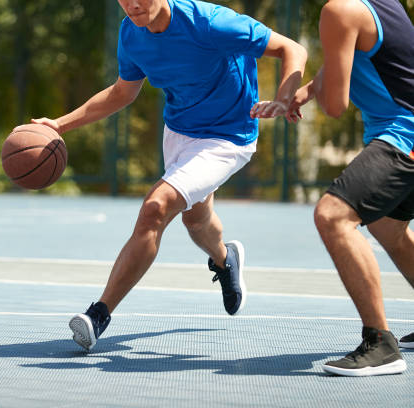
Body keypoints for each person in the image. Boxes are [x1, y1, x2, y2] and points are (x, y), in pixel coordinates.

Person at [29, 0, 307, 351]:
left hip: (227, 137)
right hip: (179, 131)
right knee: (196, 219)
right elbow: (121, 92)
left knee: (155, 208)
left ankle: (99, 314)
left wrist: (284, 97)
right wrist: (58, 125)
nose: (131, 4)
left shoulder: (211, 23)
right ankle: (226, 259)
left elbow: (291, 49)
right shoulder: (132, 34)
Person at [285, 0, 414, 376]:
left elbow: (337, 107)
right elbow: (358, 51)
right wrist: (310, 88)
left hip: (401, 134)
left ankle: (380, 344)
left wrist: (316, 87)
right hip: (404, 133)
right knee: (387, 227)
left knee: (333, 216)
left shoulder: (338, 10)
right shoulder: (384, 5)